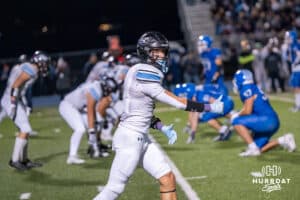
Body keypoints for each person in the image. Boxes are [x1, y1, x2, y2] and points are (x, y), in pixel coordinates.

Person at [93, 31, 224, 200]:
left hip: (138, 135)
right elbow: (177, 102)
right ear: (149, 52)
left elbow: (141, 112)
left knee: (167, 178)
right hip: (130, 138)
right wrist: (210, 106)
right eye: (160, 51)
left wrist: (162, 127)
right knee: (114, 189)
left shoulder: (135, 70)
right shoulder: (146, 72)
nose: (163, 55)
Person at [0, 51, 50, 170]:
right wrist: (13, 104)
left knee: (25, 130)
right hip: (11, 100)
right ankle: (15, 160)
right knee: (25, 129)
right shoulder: (31, 70)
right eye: (45, 63)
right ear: (39, 62)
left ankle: (24, 160)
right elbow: (15, 86)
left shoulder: (26, 67)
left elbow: (20, 88)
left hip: (14, 99)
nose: (46, 66)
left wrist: (24, 103)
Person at [231, 69, 296, 157]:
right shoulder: (252, 87)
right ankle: (284, 140)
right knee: (259, 148)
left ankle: (252, 148)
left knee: (236, 121)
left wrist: (237, 115)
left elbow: (247, 110)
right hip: (271, 120)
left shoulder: (246, 88)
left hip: (266, 120)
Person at [59, 74, 119, 164]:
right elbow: (90, 111)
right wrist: (91, 131)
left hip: (78, 108)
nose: (109, 93)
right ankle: (72, 156)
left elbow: (93, 111)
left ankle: (95, 149)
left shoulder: (97, 87)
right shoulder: (96, 90)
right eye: (109, 90)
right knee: (80, 129)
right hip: (68, 105)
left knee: (98, 120)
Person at [285, 30, 300, 112]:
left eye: (288, 37)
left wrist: (295, 62)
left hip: (297, 69)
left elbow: (299, 54)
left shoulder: (295, 44)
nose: (287, 39)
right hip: (296, 68)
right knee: (296, 87)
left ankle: (298, 106)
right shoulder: (291, 45)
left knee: (296, 87)